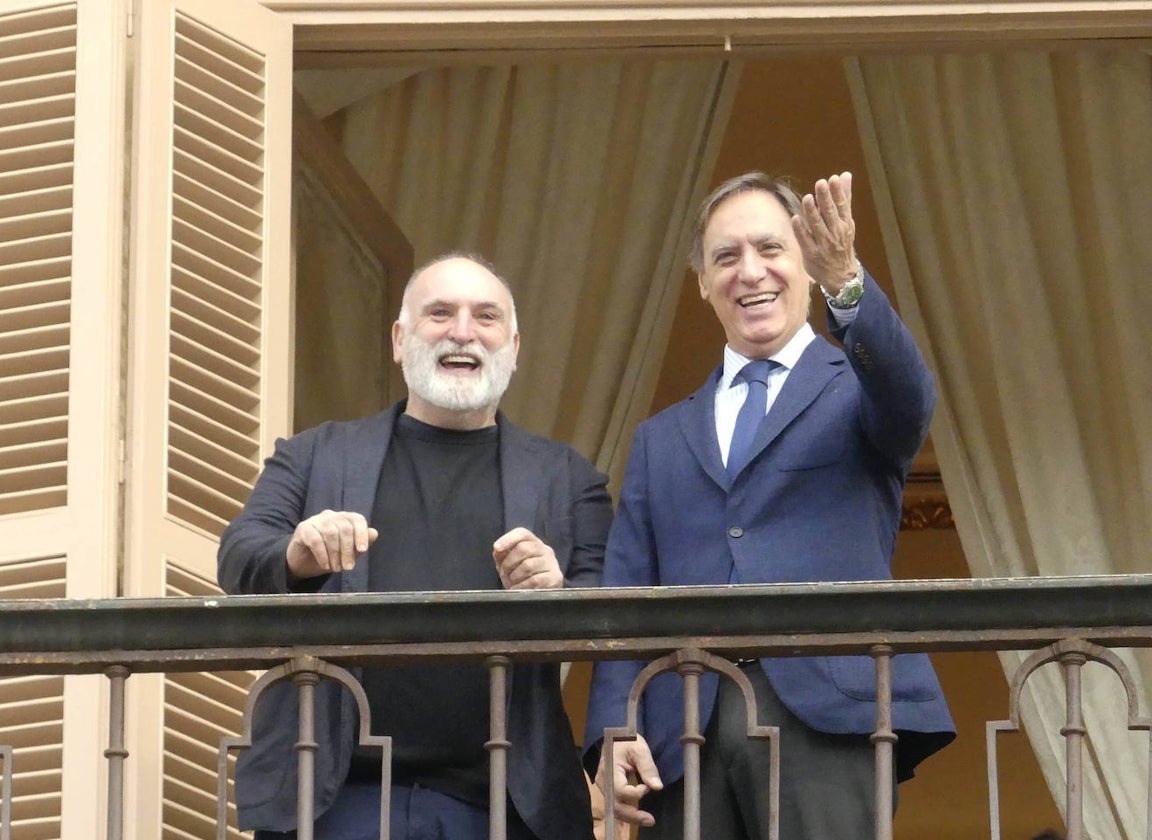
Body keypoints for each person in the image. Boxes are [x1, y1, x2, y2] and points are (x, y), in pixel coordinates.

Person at [584, 171, 956, 840]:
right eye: (726, 257)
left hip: (825, 718)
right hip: (683, 732)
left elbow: (910, 398)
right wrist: (615, 730)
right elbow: (626, 597)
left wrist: (848, 279)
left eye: (771, 249)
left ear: (807, 264)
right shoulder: (660, 437)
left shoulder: (857, 391)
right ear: (702, 282)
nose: (750, 271)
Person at [218, 254, 612, 840]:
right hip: (336, 799)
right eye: (439, 313)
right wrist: (297, 554)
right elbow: (238, 557)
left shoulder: (567, 476)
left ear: (514, 346)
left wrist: (559, 591)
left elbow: (615, 600)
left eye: (486, 316)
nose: (462, 331)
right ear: (400, 340)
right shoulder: (314, 455)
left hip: (502, 807)